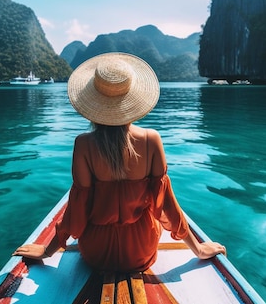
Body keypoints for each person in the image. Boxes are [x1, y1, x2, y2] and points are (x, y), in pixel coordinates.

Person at [14, 52, 226, 272]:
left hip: (96, 251)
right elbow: (167, 206)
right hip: (140, 250)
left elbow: (77, 210)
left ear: (93, 100)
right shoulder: (151, 140)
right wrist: (198, 249)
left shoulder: (84, 144)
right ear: (132, 98)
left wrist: (47, 251)